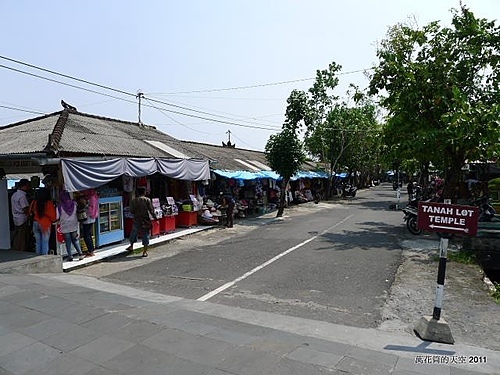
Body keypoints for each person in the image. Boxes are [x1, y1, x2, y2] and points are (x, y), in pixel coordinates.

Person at [126, 186, 157, 257]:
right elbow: (151, 210)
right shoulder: (147, 200)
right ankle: (144, 251)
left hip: (136, 219)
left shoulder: (133, 201)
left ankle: (131, 246)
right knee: (145, 235)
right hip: (145, 220)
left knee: (134, 233)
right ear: (145, 192)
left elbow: (131, 211)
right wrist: (155, 218)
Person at [58, 190, 84, 261]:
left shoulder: (60, 206)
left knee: (68, 241)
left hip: (65, 225)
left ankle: (70, 256)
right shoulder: (74, 203)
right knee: (75, 240)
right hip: (74, 224)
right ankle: (80, 254)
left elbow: (57, 216)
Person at [29, 187, 56, 255]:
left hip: (35, 223)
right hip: (45, 224)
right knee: (45, 241)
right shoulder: (48, 203)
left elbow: (30, 212)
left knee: (38, 242)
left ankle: (37, 255)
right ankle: (44, 257)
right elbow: (52, 216)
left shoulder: (34, 202)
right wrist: (53, 221)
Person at [10, 178, 32, 251]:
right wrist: (29, 215)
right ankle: (21, 250)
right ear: (23, 186)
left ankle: (16, 249)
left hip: (16, 217)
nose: (29, 188)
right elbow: (25, 208)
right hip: (22, 218)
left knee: (17, 236)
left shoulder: (14, 195)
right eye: (28, 186)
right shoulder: (22, 196)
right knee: (22, 237)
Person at [77, 190, 98, 257]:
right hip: (92, 218)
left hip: (88, 218)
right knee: (88, 234)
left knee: (86, 235)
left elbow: (89, 208)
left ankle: (91, 251)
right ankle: (91, 250)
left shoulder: (90, 198)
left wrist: (84, 205)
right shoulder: (94, 196)